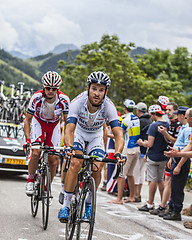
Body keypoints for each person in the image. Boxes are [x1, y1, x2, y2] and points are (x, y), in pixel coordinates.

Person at [58, 71, 125, 222]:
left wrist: (119, 153)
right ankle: (66, 206)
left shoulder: (109, 106)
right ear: (88, 88)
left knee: (97, 166)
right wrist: (69, 147)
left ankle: (88, 203)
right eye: (94, 88)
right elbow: (69, 129)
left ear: (105, 92)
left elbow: (118, 133)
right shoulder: (77, 102)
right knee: (76, 162)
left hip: (96, 136)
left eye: (101, 90)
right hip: (79, 133)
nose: (97, 93)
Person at [24, 71, 70, 196]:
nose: (51, 91)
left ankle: (47, 186)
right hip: (38, 123)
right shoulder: (36, 97)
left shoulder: (64, 100)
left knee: (54, 159)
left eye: (54, 89)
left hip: (54, 125)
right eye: (48, 88)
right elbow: (27, 120)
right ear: (44, 87)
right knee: (36, 152)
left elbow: (68, 123)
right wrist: (28, 140)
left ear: (57, 89)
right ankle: (31, 180)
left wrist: (68, 143)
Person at [150, 102, 182, 216]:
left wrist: (165, 133)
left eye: (169, 110)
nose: (167, 112)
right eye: (166, 110)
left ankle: (165, 206)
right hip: (169, 155)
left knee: (169, 183)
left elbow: (175, 141)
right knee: (167, 181)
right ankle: (165, 206)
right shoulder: (171, 124)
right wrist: (164, 133)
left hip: (175, 156)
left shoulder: (178, 124)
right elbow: (169, 141)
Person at [138, 104, 169, 212]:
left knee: (152, 181)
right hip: (164, 156)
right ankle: (163, 203)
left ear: (154, 114)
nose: (151, 117)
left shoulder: (153, 126)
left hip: (153, 156)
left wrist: (142, 143)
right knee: (161, 180)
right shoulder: (167, 124)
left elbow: (150, 144)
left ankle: (150, 204)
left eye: (151, 114)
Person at [109, 99, 140, 204]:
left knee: (121, 174)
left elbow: (119, 135)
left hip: (128, 148)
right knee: (130, 174)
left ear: (125, 108)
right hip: (137, 149)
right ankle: (132, 196)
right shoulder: (137, 118)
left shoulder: (126, 120)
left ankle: (119, 199)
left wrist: (108, 135)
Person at [164, 107, 192, 221]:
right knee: (174, 187)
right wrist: (175, 154)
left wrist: (179, 160)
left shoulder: (188, 129)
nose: (185, 118)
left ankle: (176, 211)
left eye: (186, 117)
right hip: (178, 158)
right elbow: (189, 145)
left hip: (182, 161)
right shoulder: (189, 129)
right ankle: (172, 209)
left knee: (177, 188)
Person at [134, 102, 152, 202]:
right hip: (146, 151)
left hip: (139, 148)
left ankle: (135, 194)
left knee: (136, 173)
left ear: (138, 110)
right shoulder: (150, 121)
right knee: (141, 173)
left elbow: (136, 135)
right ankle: (138, 194)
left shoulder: (139, 121)